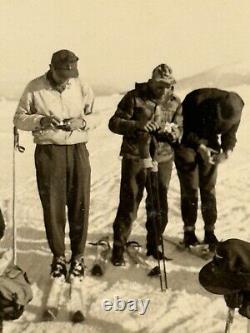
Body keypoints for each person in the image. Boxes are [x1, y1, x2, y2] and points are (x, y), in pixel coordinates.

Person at [13, 49, 94, 280]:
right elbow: (18, 118)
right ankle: (59, 256)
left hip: (78, 149)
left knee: (80, 204)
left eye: (71, 74)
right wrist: (41, 121)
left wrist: (83, 121)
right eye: (62, 74)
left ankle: (78, 256)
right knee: (53, 206)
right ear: (51, 68)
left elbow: (96, 115)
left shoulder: (81, 86)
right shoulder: (34, 87)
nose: (67, 79)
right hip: (49, 152)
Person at [108, 64, 182, 266]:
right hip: (135, 158)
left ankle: (154, 245)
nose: (164, 90)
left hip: (163, 159)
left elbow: (180, 129)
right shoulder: (134, 97)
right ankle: (118, 247)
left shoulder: (175, 102)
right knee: (129, 203)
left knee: (159, 204)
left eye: (168, 86)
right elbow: (114, 123)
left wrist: (174, 133)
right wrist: (137, 126)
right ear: (151, 82)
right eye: (160, 85)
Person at [175, 88, 244, 249]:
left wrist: (226, 152)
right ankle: (189, 232)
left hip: (210, 141)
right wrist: (200, 147)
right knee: (190, 188)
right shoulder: (196, 100)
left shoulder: (236, 108)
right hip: (187, 141)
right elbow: (183, 131)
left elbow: (230, 134)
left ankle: (209, 231)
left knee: (208, 188)